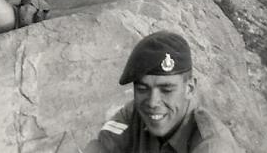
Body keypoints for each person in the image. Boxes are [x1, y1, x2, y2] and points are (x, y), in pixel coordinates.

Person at [85, 31, 242, 153]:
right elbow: (100, 147)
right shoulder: (132, 114)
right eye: (142, 89)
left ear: (190, 89)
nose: (153, 102)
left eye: (166, 90)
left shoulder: (213, 145)